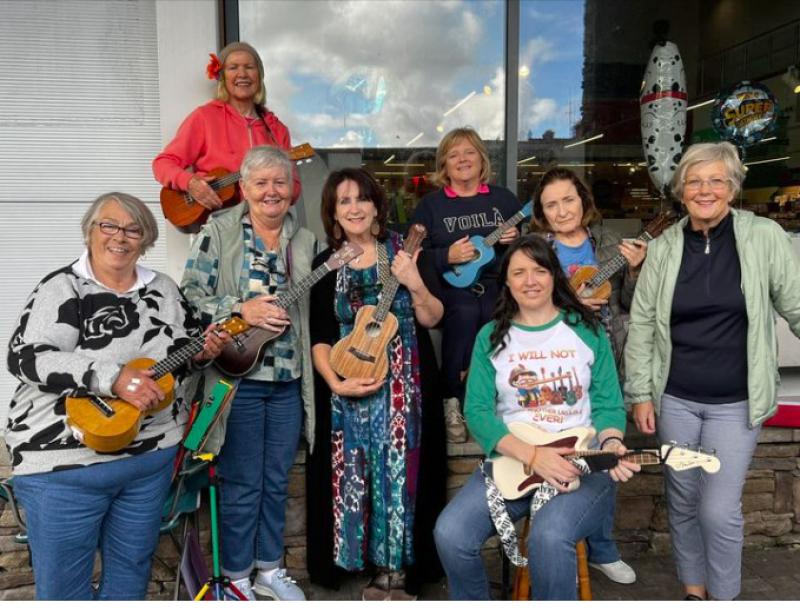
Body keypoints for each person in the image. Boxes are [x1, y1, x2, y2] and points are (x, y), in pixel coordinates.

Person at [5, 193, 229, 600]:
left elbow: (179, 361)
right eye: (108, 225)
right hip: (63, 465)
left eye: (133, 229)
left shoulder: (164, 289)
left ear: (146, 239)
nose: (120, 237)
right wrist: (113, 378)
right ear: (89, 231)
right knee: (62, 592)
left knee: (130, 579)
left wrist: (202, 353)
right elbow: (26, 358)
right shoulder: (62, 287)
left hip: (148, 461)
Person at [625, 142, 800, 601]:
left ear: (733, 188)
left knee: (718, 510)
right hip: (676, 401)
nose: (705, 190)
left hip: (735, 403)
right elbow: (642, 324)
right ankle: (694, 591)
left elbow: (796, 305)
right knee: (683, 501)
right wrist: (640, 393)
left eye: (716, 180)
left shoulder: (763, 237)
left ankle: (725, 598)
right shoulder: (663, 248)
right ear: (681, 190)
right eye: (695, 181)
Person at [433, 235, 640, 600]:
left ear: (554, 276)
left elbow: (608, 403)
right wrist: (532, 455)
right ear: (507, 281)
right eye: (519, 272)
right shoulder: (490, 337)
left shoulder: (587, 330)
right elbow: (477, 411)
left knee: (549, 537)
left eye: (540, 270)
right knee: (451, 535)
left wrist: (611, 441)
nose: (530, 280)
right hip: (514, 463)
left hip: (580, 466)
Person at [181, 145, 316, 601]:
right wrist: (241, 307)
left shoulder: (305, 241)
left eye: (280, 182)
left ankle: (269, 570)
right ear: (243, 188)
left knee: (276, 482)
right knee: (240, 484)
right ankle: (237, 577)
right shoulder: (218, 231)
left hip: (288, 380)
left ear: (292, 189)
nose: (271, 191)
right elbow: (189, 296)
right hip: (235, 381)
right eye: (261, 183)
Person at [306, 168, 447, 600]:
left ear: (376, 205)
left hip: (406, 383)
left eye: (362, 198)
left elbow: (433, 317)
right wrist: (334, 383)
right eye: (344, 201)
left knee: (402, 472)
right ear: (333, 212)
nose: (354, 208)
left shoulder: (405, 251)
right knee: (355, 473)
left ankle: (398, 571)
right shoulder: (327, 264)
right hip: (350, 382)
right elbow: (319, 334)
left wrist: (414, 281)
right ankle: (362, 562)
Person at [531, 166, 646, 584]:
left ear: (583, 200)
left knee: (605, 452)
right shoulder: (535, 249)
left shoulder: (608, 243)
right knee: (560, 453)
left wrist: (633, 271)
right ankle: (552, 540)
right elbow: (520, 302)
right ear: (542, 212)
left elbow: (631, 303)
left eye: (568, 200)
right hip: (552, 369)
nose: (562, 211)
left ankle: (602, 548)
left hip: (603, 361)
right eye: (551, 204)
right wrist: (568, 303)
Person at [411, 127, 522, 442]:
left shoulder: (503, 199)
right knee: (463, 311)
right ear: (444, 165)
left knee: (495, 312)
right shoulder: (431, 206)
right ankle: (451, 399)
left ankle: (500, 400)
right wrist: (446, 255)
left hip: (498, 283)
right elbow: (414, 254)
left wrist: (515, 238)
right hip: (450, 285)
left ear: (482, 159)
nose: (462, 159)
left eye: (469, 152)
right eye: (453, 154)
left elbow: (528, 248)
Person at [152, 41, 300, 216]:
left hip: (267, 224)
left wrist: (274, 187)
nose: (242, 74)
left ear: (259, 76)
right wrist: (190, 183)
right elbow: (162, 164)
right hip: (217, 223)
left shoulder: (277, 130)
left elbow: (295, 188)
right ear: (222, 77)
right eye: (233, 67)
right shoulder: (204, 118)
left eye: (249, 67)